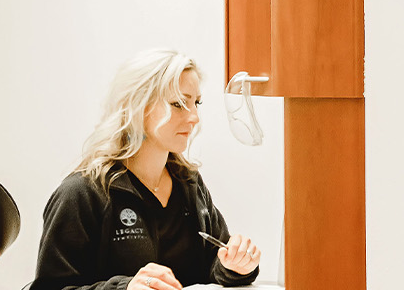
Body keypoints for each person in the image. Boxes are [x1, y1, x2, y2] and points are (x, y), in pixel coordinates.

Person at [31, 50, 261, 290]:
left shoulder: (190, 184)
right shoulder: (81, 193)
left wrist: (235, 266)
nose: (194, 118)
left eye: (196, 103)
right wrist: (125, 288)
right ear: (139, 107)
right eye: (179, 103)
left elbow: (214, 265)